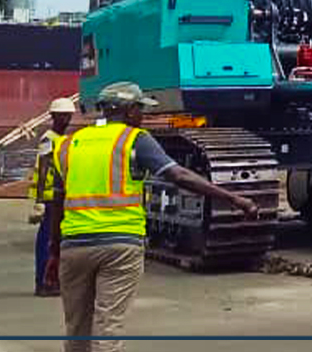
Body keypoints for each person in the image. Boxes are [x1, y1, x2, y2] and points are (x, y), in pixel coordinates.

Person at [45, 82, 259, 352]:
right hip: (120, 245)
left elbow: (56, 202)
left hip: (74, 246)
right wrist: (233, 198)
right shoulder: (135, 139)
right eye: (140, 109)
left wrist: (54, 250)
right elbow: (179, 175)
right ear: (128, 110)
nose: (143, 115)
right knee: (107, 328)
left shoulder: (69, 144)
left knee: (76, 329)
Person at [31, 97, 77, 297]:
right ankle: (43, 283)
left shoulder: (62, 139)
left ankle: (51, 281)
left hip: (59, 197)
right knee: (48, 242)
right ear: (52, 116)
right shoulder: (48, 139)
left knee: (55, 241)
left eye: (68, 115)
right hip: (50, 198)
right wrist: (39, 202)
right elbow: (43, 169)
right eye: (62, 115)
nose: (66, 118)